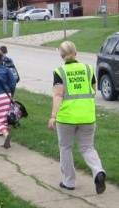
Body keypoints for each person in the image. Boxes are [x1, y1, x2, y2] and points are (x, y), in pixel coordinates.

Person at [48, 41, 106, 194]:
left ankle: (69, 181)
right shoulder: (88, 68)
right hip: (87, 116)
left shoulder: (59, 71)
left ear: (61, 55)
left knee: (66, 148)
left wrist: (53, 116)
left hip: (66, 117)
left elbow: (59, 94)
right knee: (87, 147)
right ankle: (98, 171)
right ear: (76, 52)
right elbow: (93, 89)